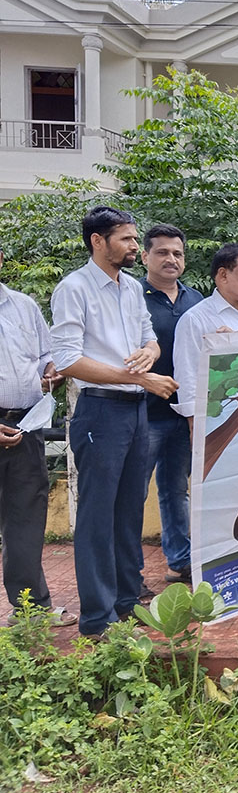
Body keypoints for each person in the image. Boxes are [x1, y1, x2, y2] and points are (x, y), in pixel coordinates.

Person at [50, 206, 178, 637]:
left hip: (136, 410)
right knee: (98, 517)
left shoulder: (130, 290)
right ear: (98, 242)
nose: (131, 246)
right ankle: (98, 618)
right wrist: (137, 375)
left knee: (128, 514)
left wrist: (149, 354)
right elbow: (68, 359)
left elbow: (149, 337)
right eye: (125, 239)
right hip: (100, 412)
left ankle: (127, 604)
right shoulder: (74, 288)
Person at [0, 248, 73, 626]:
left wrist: (51, 371)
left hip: (26, 424)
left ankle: (31, 610)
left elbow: (49, 355)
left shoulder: (24, 306)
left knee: (26, 519)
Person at [139, 224, 203, 584]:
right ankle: (130, 574)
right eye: (162, 252)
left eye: (177, 253)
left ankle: (180, 560)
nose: (171, 259)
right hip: (144, 414)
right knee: (133, 494)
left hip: (187, 414)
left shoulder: (197, 300)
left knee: (176, 490)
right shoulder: (133, 298)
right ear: (146, 256)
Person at [172, 244, 238, 423]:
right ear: (223, 275)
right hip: (218, 416)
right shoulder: (196, 319)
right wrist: (194, 423)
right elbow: (188, 375)